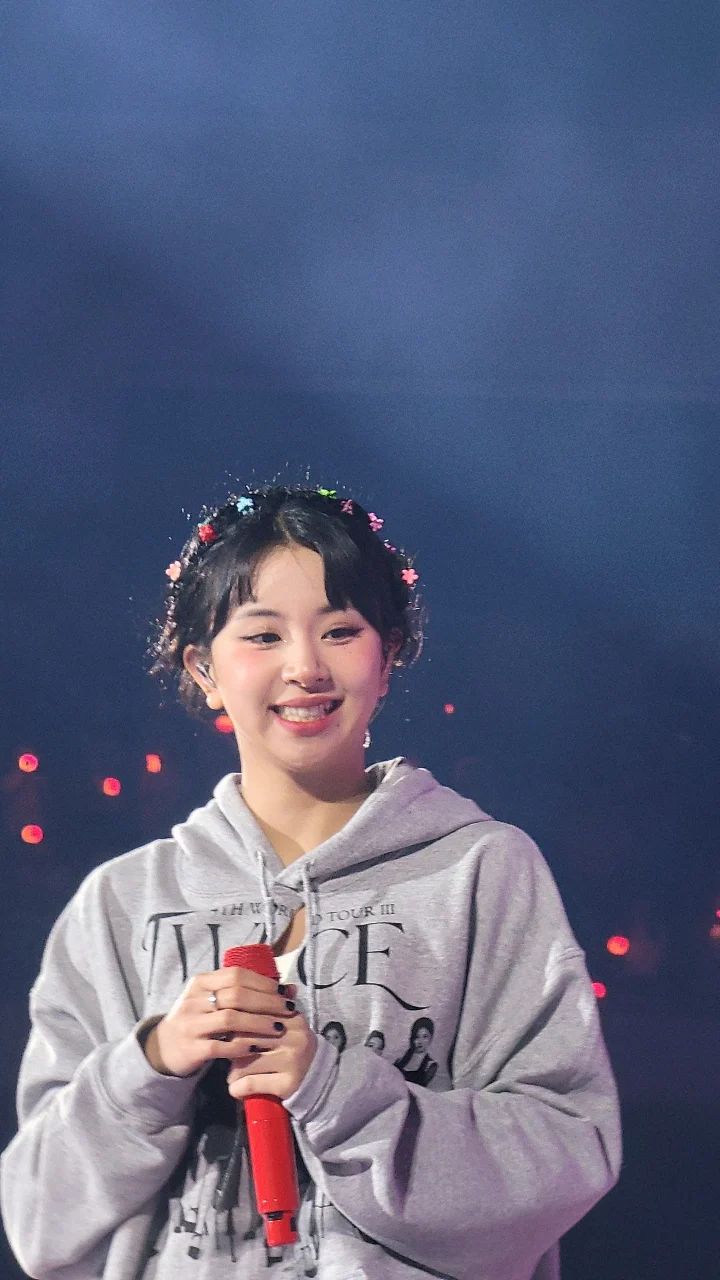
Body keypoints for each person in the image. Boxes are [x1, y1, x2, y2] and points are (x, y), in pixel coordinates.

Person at [0, 484, 621, 1280]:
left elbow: (569, 1152)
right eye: (263, 635)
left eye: (340, 631)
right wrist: (151, 1061)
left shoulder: (479, 872)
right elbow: (39, 1223)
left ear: (388, 657)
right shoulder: (121, 904)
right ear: (204, 668)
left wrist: (335, 1093)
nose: (304, 667)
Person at [394, 1016, 438, 1086]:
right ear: (413, 1038)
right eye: (417, 1037)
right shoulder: (400, 1059)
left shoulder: (430, 1065)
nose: (420, 1041)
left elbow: (422, 1087)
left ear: (431, 1038)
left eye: (425, 1037)